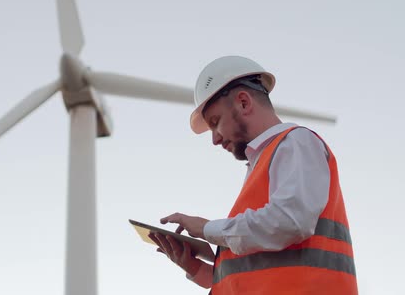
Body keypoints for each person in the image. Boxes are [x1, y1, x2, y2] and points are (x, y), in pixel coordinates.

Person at [148, 56, 358, 294]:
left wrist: (207, 229)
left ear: (244, 103)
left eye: (216, 122)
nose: (215, 139)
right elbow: (263, 271)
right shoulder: (264, 163)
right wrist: (197, 268)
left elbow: (290, 222)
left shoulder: (295, 142)